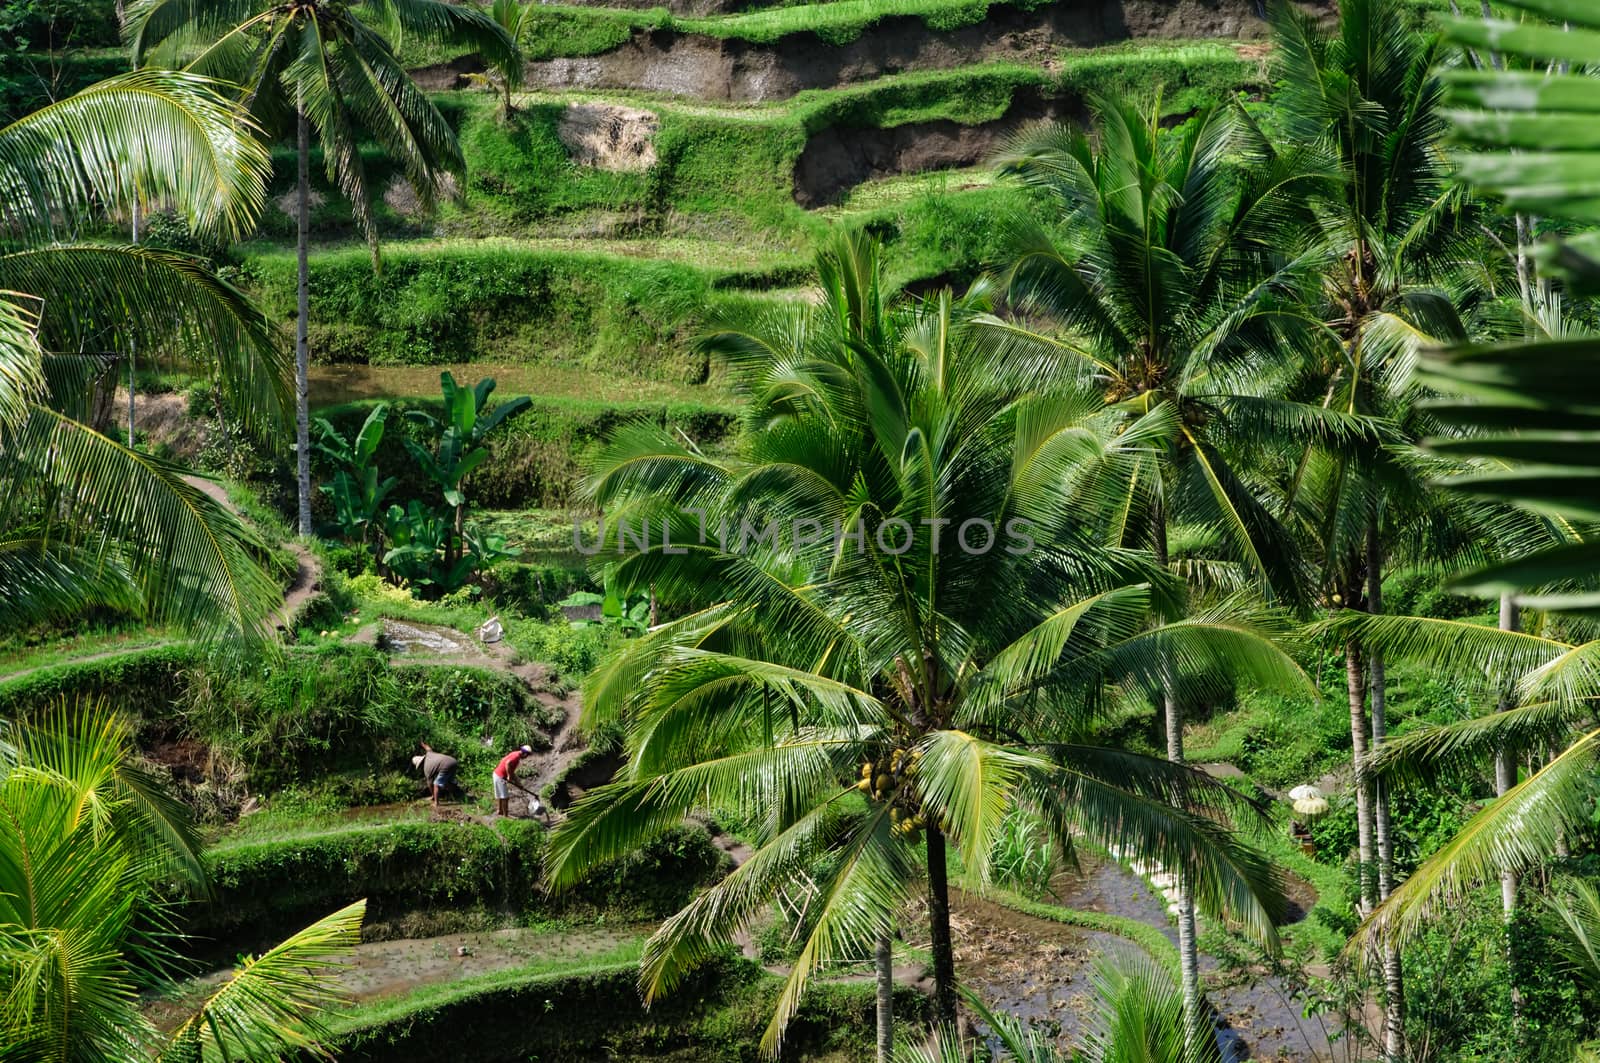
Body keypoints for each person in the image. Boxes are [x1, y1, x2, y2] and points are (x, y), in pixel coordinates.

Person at [493, 744, 534, 817]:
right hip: (500, 776)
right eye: (527, 755)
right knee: (505, 797)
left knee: (500, 794)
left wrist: (519, 784)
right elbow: (507, 763)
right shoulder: (516, 757)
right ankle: (505, 816)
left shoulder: (515, 753)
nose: (526, 757)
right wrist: (508, 775)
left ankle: (500, 811)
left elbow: (510, 769)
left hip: (497, 774)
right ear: (524, 753)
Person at [413, 743, 459, 809]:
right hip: (453, 761)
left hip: (446, 766)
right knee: (448, 781)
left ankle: (436, 803)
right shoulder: (429, 754)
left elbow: (430, 784)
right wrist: (422, 743)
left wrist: (433, 796)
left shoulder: (426, 769)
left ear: (420, 765)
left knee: (436, 784)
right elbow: (428, 748)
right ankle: (455, 795)